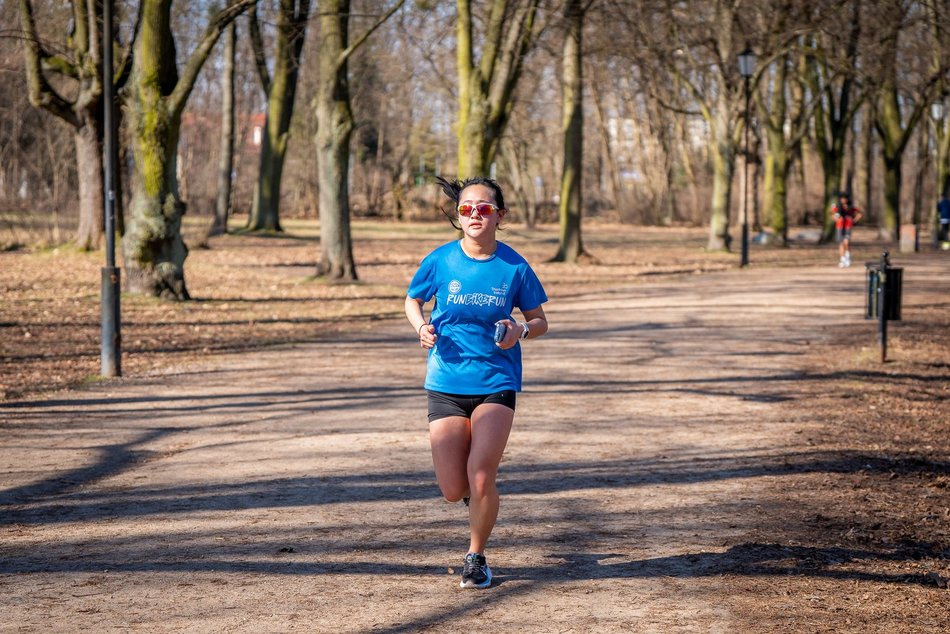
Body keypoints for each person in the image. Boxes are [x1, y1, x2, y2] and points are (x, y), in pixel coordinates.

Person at [404, 176, 549, 589]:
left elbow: (540, 321)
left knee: (481, 473)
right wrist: (420, 329)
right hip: (447, 379)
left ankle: (476, 556)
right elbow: (413, 299)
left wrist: (520, 330)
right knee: (454, 488)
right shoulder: (440, 260)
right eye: (465, 209)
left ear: (499, 216)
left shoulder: (514, 266)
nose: (473, 215)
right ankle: (476, 503)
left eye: (483, 209)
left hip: (496, 379)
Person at [831, 192, 863, 267]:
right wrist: (836, 219)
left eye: (844, 198)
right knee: (841, 243)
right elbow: (832, 213)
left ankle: (847, 257)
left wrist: (854, 220)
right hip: (839, 226)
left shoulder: (851, 207)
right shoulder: (837, 206)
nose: (843, 200)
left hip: (847, 227)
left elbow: (860, 213)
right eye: (841, 198)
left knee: (846, 242)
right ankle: (842, 259)